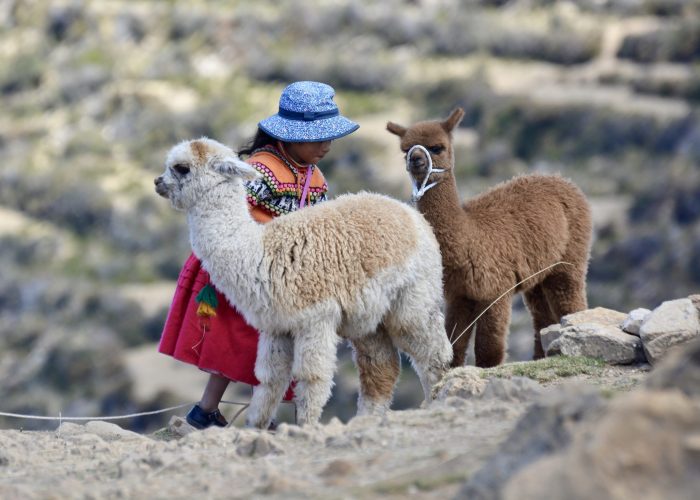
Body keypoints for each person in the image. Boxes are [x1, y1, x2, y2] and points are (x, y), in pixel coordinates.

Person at [158, 81, 359, 429]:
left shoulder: (312, 175)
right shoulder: (261, 170)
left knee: (281, 344)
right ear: (289, 136)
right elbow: (228, 212)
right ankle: (209, 411)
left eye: (329, 138)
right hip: (245, 268)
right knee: (238, 341)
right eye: (317, 138)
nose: (326, 146)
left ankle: (256, 417)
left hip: (285, 276)